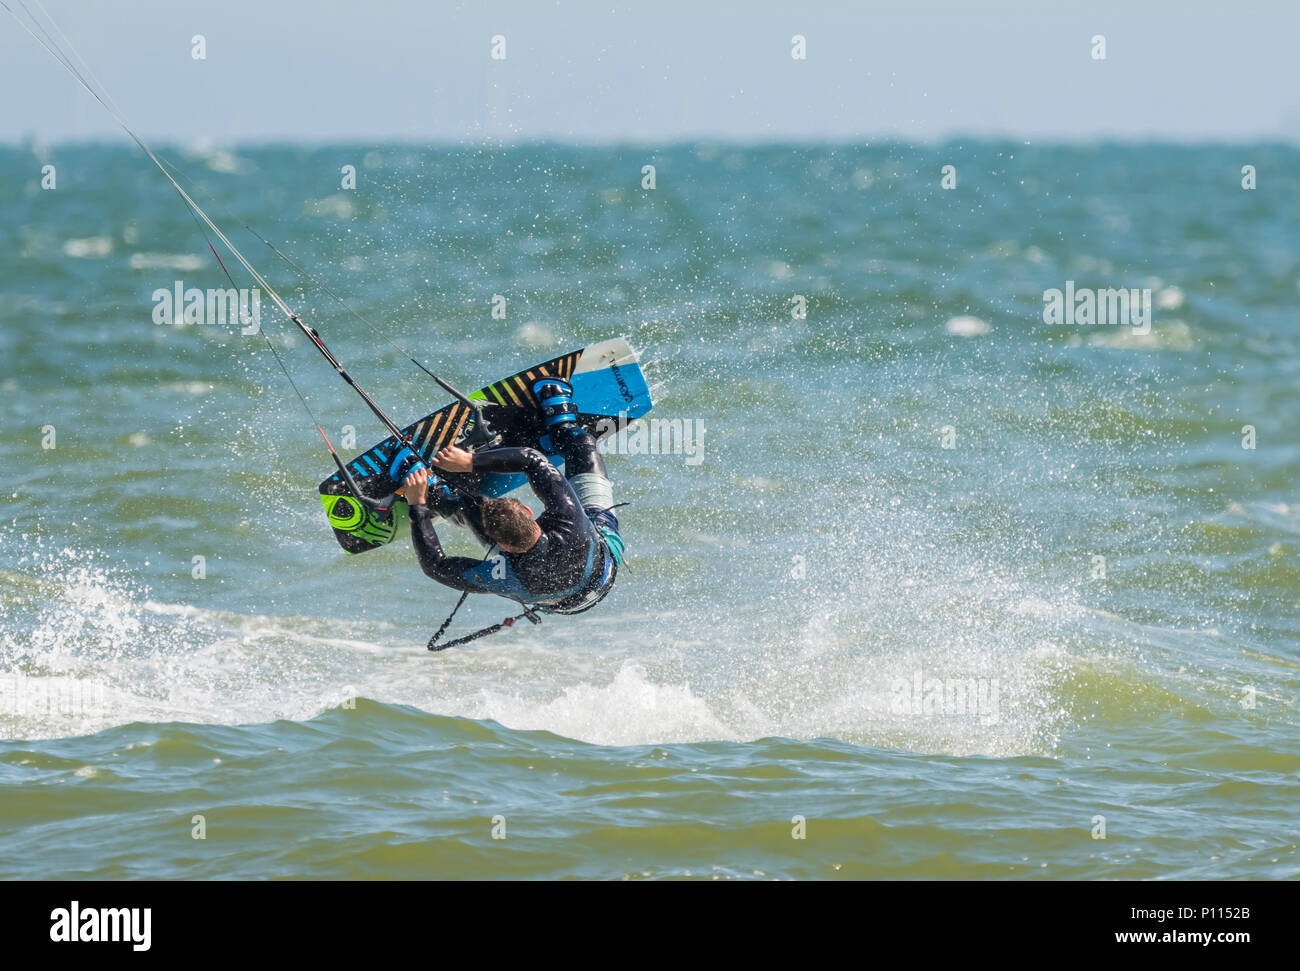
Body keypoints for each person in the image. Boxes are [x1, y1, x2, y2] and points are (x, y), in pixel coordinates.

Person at [403, 377, 623, 612]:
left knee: (470, 504)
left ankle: (440, 499)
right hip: (602, 558)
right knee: (582, 442)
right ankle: (562, 428)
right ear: (527, 511)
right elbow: (534, 461)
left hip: (560, 600)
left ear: (502, 546)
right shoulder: (570, 520)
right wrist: (469, 461)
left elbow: (436, 566)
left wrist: (418, 506)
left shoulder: (506, 576)